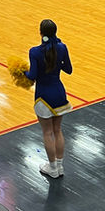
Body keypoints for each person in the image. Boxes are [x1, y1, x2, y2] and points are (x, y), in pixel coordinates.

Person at [24, 18, 72, 179]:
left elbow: (32, 76)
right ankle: (60, 166)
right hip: (59, 93)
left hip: (43, 96)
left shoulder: (35, 51)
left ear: (40, 32)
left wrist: (21, 72)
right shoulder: (62, 47)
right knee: (58, 130)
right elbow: (68, 69)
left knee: (47, 132)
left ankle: (51, 167)